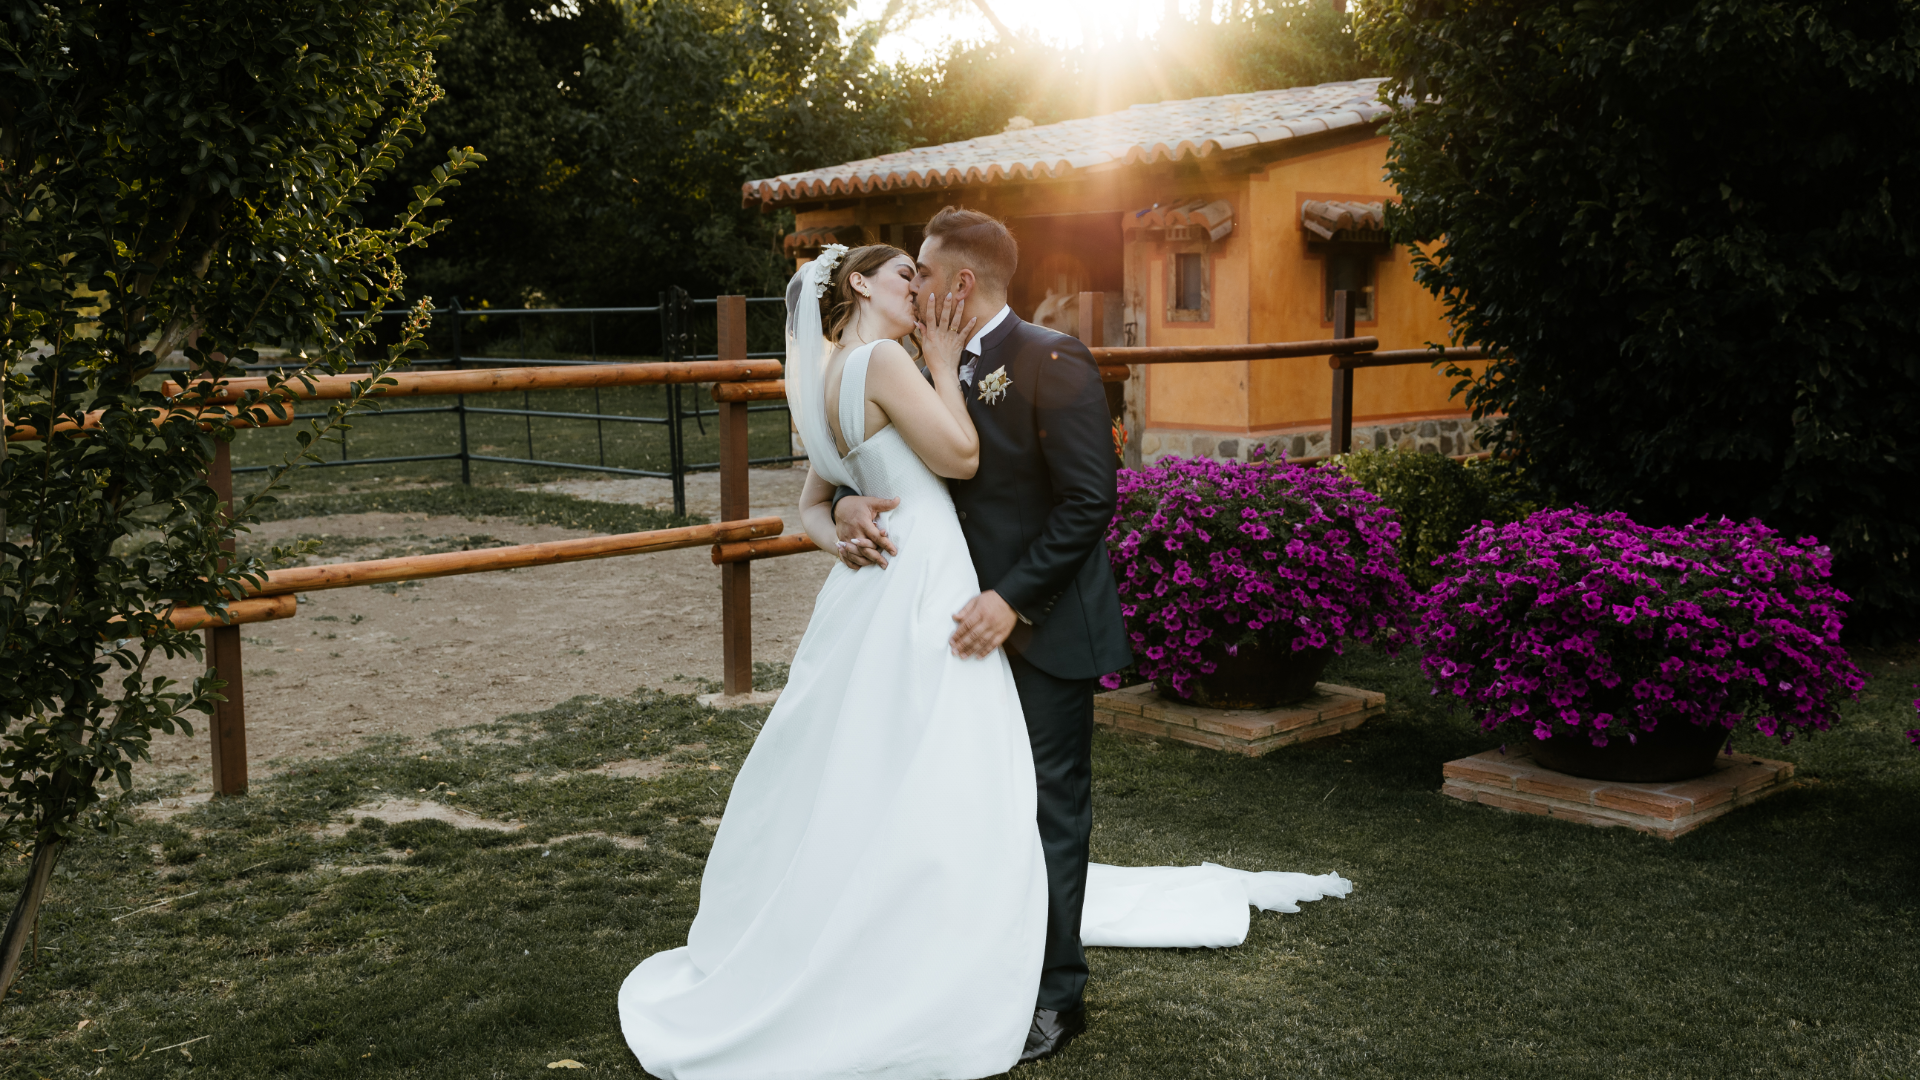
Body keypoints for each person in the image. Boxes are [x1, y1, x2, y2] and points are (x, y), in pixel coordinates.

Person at [618, 239, 1050, 1079]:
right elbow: (960, 459)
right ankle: (922, 930)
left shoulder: (818, 377)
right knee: (938, 752)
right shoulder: (889, 359)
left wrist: (847, 519)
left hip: (866, 586)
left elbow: (810, 509)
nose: (919, 287)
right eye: (905, 275)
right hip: (920, 571)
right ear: (860, 283)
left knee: (861, 756)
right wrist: (943, 357)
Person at [831, 207, 1131, 1063]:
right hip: (946, 625)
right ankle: (965, 961)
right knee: (963, 804)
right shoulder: (913, 363)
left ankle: (1055, 995)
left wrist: (1013, 598)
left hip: (1036, 627)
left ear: (959, 283)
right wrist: (850, 499)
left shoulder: (1049, 358)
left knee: (1047, 811)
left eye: (921, 271)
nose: (912, 284)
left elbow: (1089, 501)